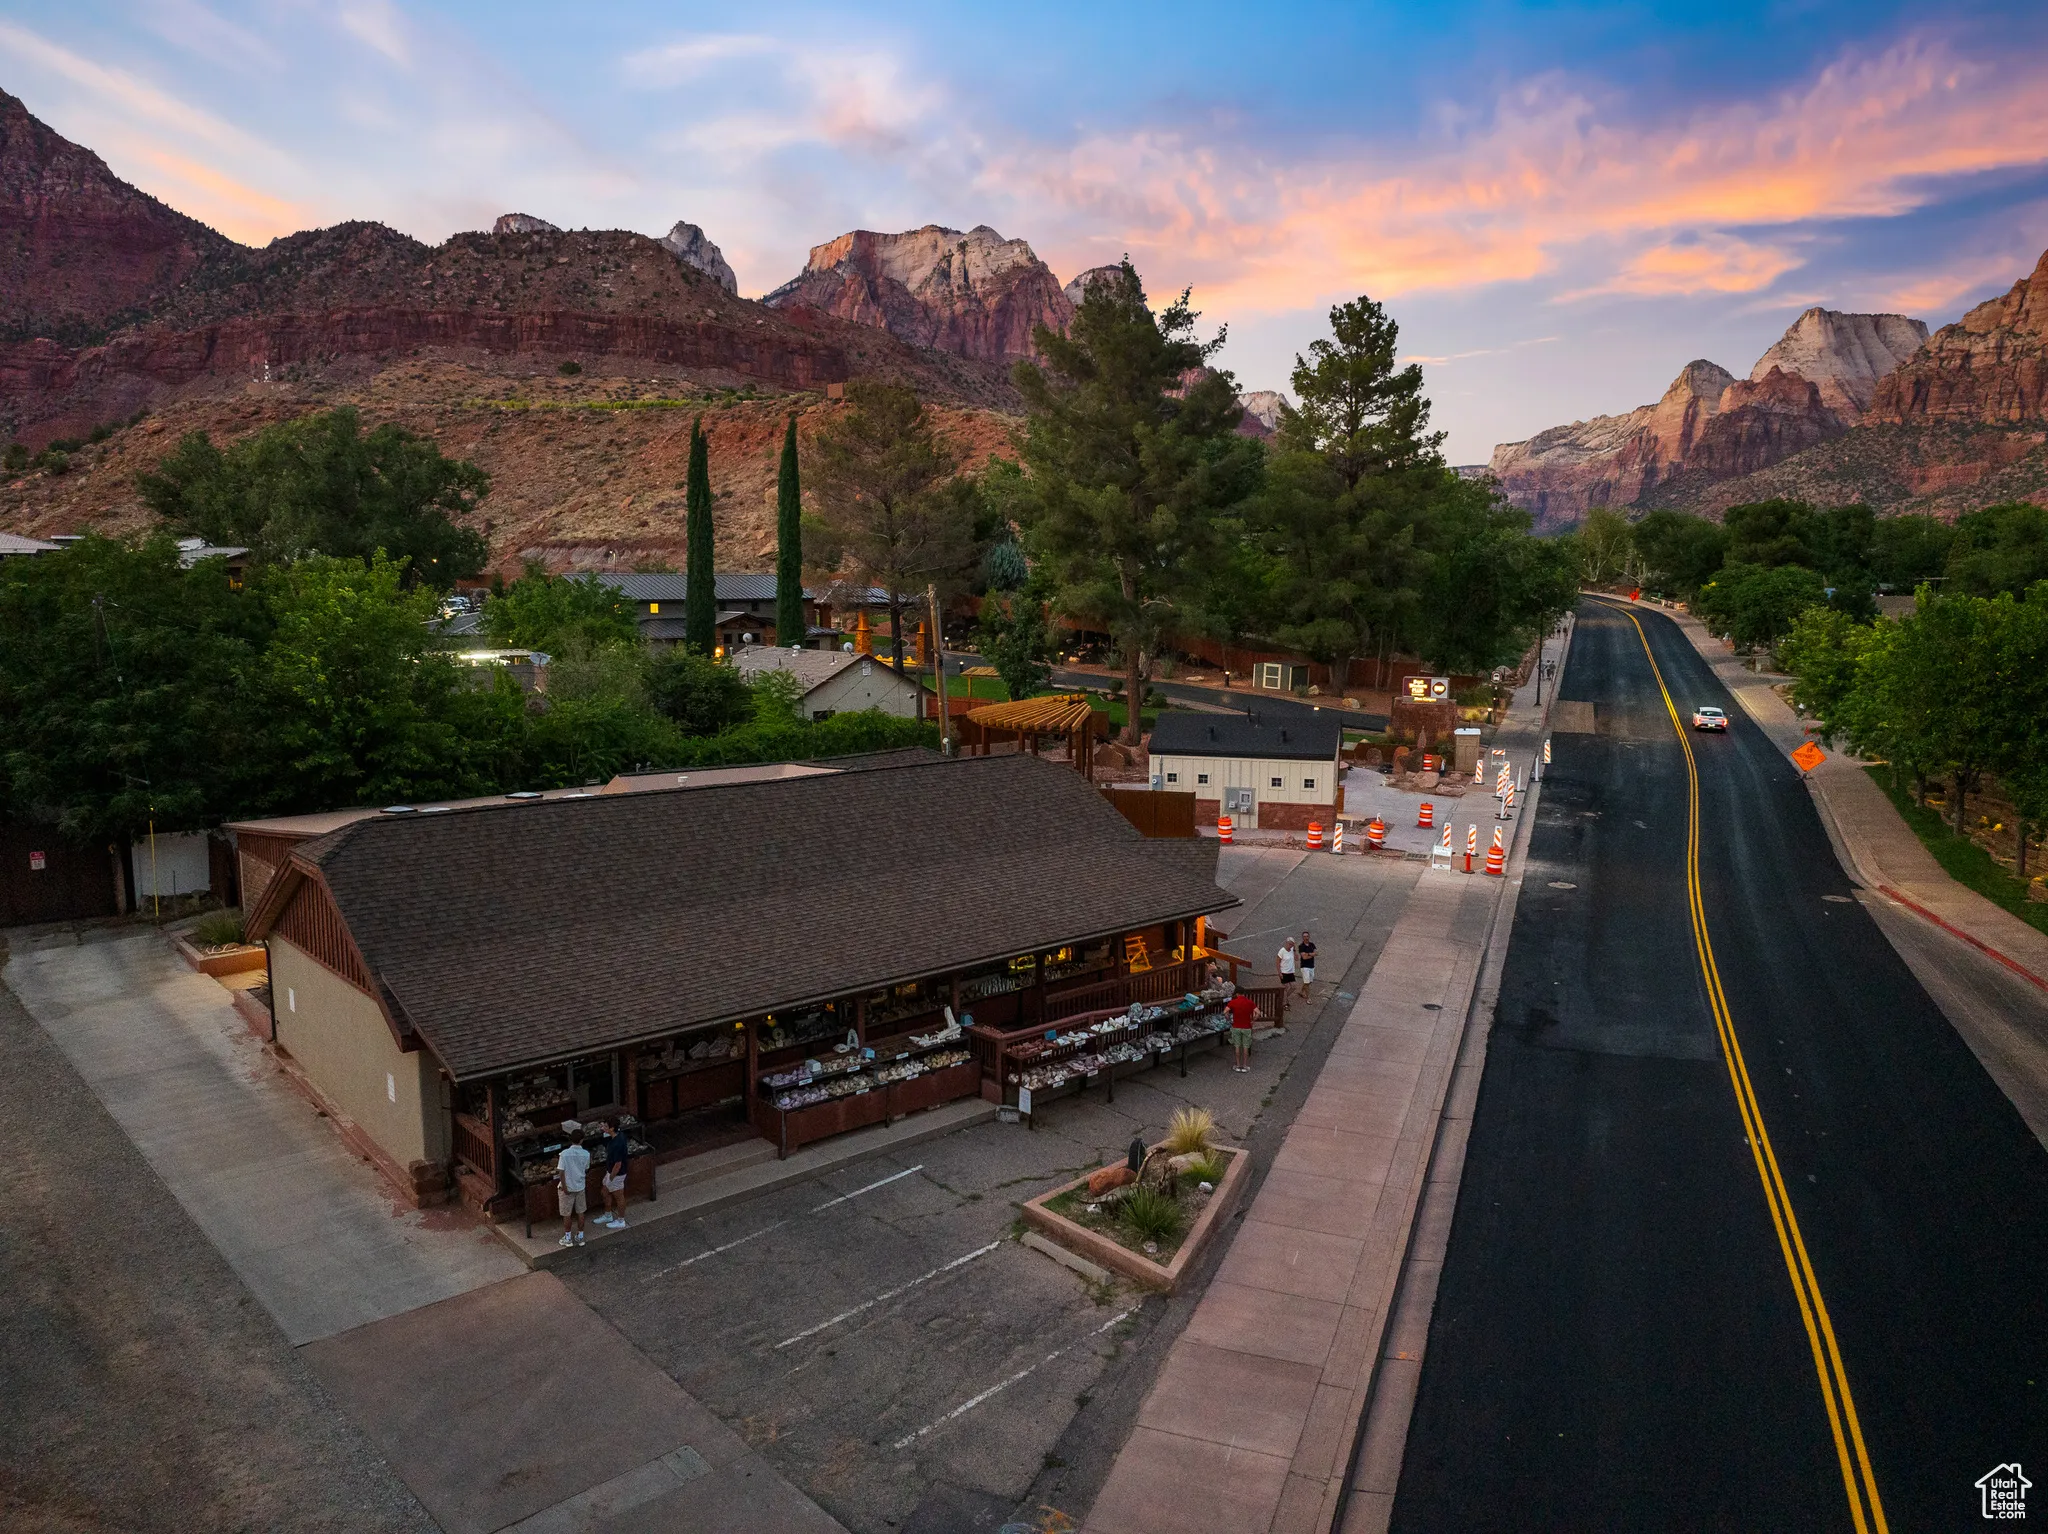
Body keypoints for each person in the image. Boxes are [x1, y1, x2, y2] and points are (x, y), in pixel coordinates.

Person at [555, 1122, 591, 1248]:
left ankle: (568, 1237)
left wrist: (564, 1188)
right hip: (580, 1186)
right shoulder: (586, 1154)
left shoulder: (564, 1154)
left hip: (567, 1187)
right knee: (581, 1212)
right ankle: (580, 1236)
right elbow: (586, 1169)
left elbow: (561, 1172)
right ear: (581, 1140)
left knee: (567, 1213)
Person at [598, 1119, 630, 1230]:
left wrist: (611, 1177)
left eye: (605, 1126)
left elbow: (618, 1164)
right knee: (605, 1191)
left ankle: (621, 1220)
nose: (603, 1127)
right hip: (611, 1172)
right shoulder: (619, 1136)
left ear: (611, 1128)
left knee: (619, 1196)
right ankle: (608, 1215)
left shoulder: (617, 1144)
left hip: (616, 1174)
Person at [1228, 988, 1256, 1072]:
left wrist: (1228, 1019)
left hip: (1236, 1026)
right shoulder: (1250, 1002)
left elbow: (1225, 1011)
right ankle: (1245, 1065)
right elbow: (1257, 1012)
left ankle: (1237, 1065)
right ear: (1244, 993)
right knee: (1245, 1046)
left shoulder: (1233, 1002)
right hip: (1247, 1027)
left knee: (1237, 1046)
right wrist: (1253, 1020)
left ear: (1237, 994)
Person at [1297, 932, 1317, 997]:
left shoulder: (1312, 944)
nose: (1306, 938)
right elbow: (1304, 958)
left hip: (1311, 966)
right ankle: (1308, 997)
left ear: (1309, 937)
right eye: (1304, 936)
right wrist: (1311, 954)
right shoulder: (1301, 946)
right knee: (1307, 982)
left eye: (1307, 936)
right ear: (1303, 937)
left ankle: (1301, 991)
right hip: (1305, 966)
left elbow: (1316, 953)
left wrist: (1307, 954)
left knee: (1309, 981)